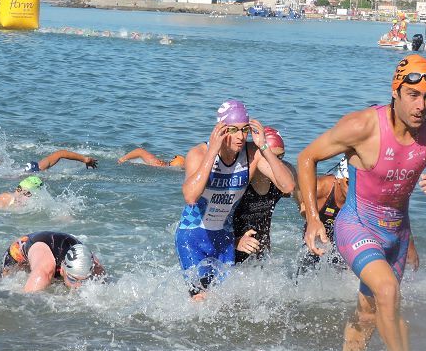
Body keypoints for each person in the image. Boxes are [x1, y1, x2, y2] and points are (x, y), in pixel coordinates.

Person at [298, 55, 426, 351]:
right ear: (395, 91)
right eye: (412, 95)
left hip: (396, 234)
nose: (420, 105)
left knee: (369, 311)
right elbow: (308, 158)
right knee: (388, 292)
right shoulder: (362, 126)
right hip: (356, 224)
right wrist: (312, 218)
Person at [176, 100, 295, 299]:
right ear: (220, 129)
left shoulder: (251, 154)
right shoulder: (199, 154)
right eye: (233, 130)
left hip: (224, 238)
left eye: (244, 130)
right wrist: (213, 151)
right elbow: (190, 195)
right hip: (194, 236)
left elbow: (287, 186)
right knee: (201, 300)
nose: (240, 137)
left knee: (223, 302)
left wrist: (264, 147)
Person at [232, 127, 295, 263]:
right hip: (230, 250)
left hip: (261, 258)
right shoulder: (240, 180)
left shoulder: (286, 175)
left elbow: (305, 200)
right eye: (270, 157)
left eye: (280, 157)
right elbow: (214, 224)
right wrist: (235, 242)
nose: (277, 164)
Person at [0, 231, 104, 292]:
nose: (78, 286)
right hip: (22, 249)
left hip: (59, 244)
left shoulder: (94, 265)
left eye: (83, 280)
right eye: (73, 280)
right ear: (63, 269)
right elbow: (24, 303)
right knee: (3, 283)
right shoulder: (44, 271)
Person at [0, 150, 98, 172]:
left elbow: (61, 153)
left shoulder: (31, 170)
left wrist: (85, 159)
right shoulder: (37, 170)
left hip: (22, 171)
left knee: (5, 168)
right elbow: (60, 153)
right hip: (29, 171)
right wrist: (84, 159)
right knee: (5, 168)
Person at [117, 148, 186, 168]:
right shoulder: (157, 163)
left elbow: (140, 151)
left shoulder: (158, 164)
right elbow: (139, 151)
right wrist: (122, 159)